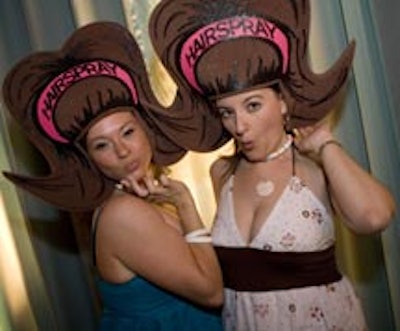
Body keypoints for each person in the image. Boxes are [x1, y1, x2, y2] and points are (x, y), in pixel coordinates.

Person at [147, 0, 396, 330]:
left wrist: (325, 145)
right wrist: (183, 205)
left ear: (282, 102)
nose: (239, 126)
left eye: (252, 106)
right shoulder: (223, 173)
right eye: (227, 112)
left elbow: (374, 217)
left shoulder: (315, 167)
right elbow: (225, 270)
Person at [1, 22, 224, 330]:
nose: (122, 151)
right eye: (101, 145)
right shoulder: (122, 212)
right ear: (88, 158)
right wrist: (186, 204)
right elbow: (211, 292)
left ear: (146, 129)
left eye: (128, 132)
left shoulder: (143, 199)